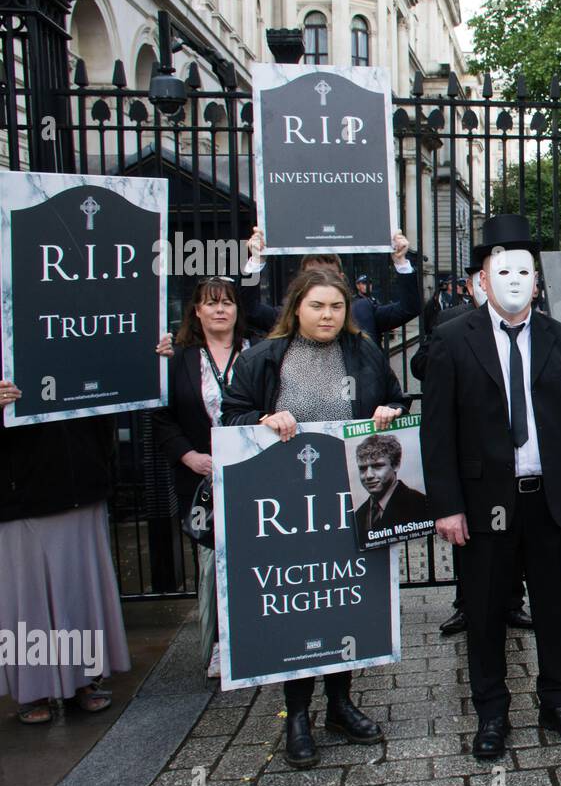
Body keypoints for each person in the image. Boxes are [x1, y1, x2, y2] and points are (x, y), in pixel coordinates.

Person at [420, 213, 561, 761]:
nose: (516, 281)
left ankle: (559, 701)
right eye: (503, 271)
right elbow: (437, 433)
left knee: (552, 605)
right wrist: (447, 506)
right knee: (485, 608)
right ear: (483, 277)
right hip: (483, 505)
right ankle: (492, 710)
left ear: (538, 280)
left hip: (548, 500)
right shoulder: (453, 340)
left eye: (526, 272)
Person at [222, 266, 410, 769]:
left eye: (336, 307)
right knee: (302, 604)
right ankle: (298, 713)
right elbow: (231, 416)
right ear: (296, 309)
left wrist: (389, 412)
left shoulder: (365, 351)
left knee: (344, 600)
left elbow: (395, 397)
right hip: (290, 506)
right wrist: (262, 420)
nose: (327, 315)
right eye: (317, 306)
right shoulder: (264, 358)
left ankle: (340, 705)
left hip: (347, 498)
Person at [411, 255, 532, 636]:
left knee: (517, 541)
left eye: (520, 274)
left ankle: (514, 601)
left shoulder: (536, 324)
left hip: (520, 464)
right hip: (476, 464)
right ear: (476, 283)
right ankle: (467, 605)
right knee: (475, 548)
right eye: (494, 277)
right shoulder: (451, 325)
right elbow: (420, 368)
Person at [0, 391, 138, 724]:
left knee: (79, 591)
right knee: (28, 598)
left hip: (82, 480)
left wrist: (149, 358)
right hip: (21, 492)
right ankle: (33, 690)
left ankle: (85, 680)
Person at [153, 277, 256, 677]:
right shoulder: (178, 359)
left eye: (227, 303)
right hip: (203, 475)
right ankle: (218, 644)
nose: (219, 310)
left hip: (251, 470)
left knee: (254, 555)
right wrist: (188, 455)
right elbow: (161, 415)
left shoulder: (256, 352)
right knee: (214, 560)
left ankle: (255, 636)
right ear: (196, 311)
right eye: (210, 303)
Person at [242, 226, 420, 341]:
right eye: (313, 276)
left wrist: (401, 262)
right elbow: (248, 310)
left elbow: (409, 308)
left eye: (329, 275)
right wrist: (257, 261)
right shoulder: (286, 315)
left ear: (342, 278)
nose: (322, 282)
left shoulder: (363, 311)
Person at [353, 433, 431, 540]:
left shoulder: (421, 505)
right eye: (362, 468)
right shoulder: (358, 516)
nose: (368, 475)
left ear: (396, 465)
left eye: (377, 466)